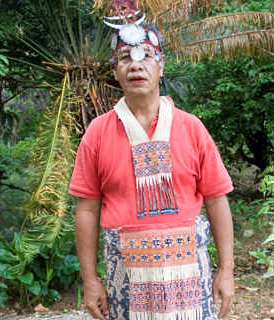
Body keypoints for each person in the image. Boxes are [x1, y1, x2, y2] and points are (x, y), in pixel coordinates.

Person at [68, 14, 235, 320]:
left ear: (161, 65)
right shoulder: (97, 133)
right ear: (115, 71)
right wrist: (91, 281)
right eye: (124, 58)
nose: (135, 65)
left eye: (146, 56)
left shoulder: (191, 128)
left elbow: (216, 198)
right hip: (126, 280)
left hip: (190, 279)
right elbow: (87, 209)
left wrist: (226, 270)